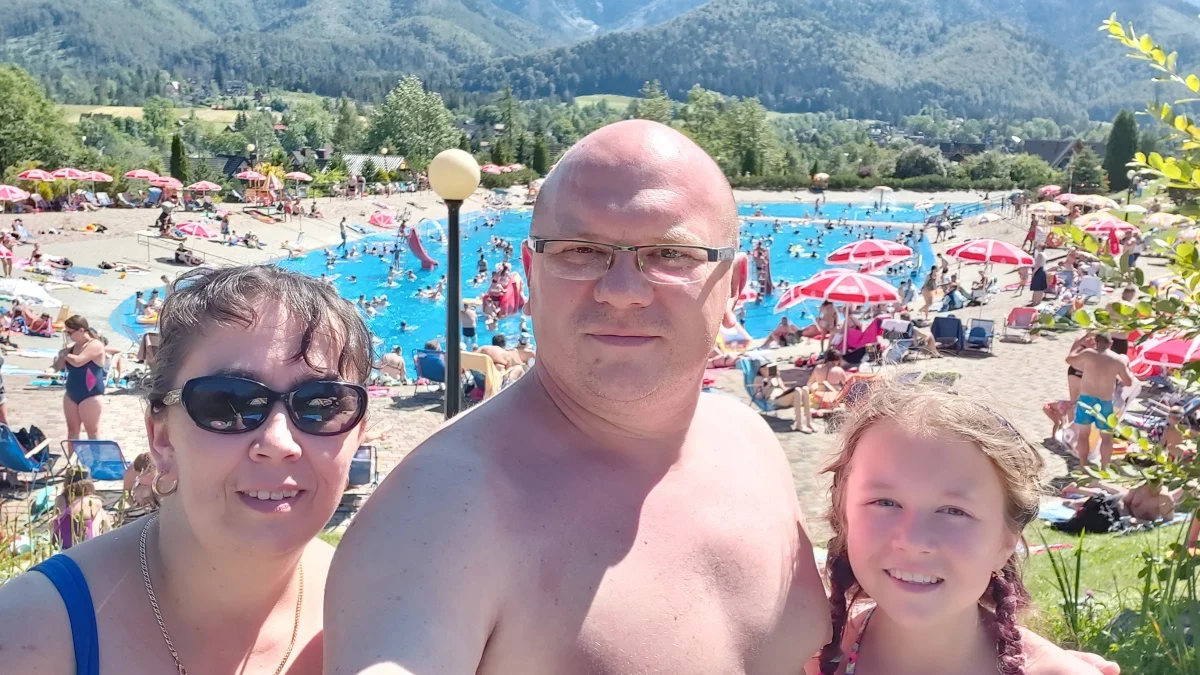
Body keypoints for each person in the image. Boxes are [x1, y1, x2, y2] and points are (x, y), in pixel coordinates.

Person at [325, 120, 833, 674]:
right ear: (531, 272)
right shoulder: (440, 513)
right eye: (581, 250)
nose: (622, 291)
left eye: (670, 253)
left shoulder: (750, 443)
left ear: (733, 285)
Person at [0, 265, 373, 674]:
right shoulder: (30, 637)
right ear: (162, 438)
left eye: (321, 404)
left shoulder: (382, 618)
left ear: (357, 435)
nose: (279, 444)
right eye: (228, 403)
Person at [810, 383, 1110, 675]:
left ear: (1006, 542)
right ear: (844, 518)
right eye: (885, 502)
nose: (914, 540)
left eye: (954, 511)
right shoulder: (804, 655)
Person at [1067, 333, 1134, 469]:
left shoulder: (1088, 354)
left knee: (1083, 435)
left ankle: (1083, 465)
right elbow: (1128, 382)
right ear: (1111, 343)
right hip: (1105, 401)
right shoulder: (1118, 360)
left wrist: (1080, 344)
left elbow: (1069, 359)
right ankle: (1104, 468)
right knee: (1106, 438)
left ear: (1096, 342)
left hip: (1086, 399)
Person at [53, 316, 106, 439]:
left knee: (92, 431)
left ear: (81, 330)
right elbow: (59, 366)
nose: (68, 335)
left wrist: (65, 355)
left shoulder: (95, 345)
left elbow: (79, 361)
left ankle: (94, 453)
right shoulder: (71, 348)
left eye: (70, 332)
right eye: (66, 332)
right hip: (71, 392)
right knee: (72, 431)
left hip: (90, 394)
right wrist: (60, 356)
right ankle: (71, 453)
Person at [52, 466, 113, 550]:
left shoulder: (60, 499)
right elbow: (106, 527)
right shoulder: (94, 502)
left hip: (60, 546)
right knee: (100, 513)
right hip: (84, 547)